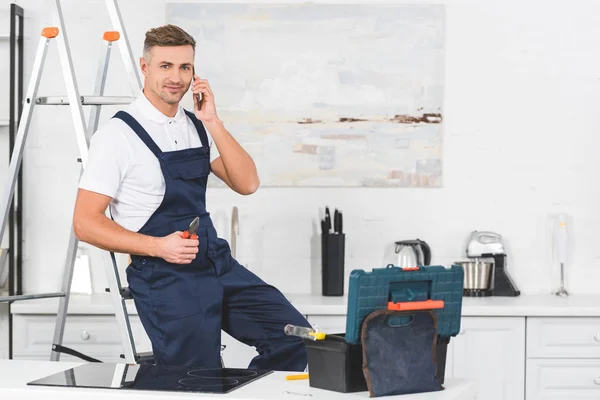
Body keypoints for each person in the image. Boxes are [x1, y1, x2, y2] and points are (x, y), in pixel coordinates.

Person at [73, 24, 311, 371]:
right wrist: (158, 247)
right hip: (165, 277)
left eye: (185, 67)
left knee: (295, 337)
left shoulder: (196, 126)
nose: (177, 77)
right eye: (165, 66)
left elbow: (247, 183)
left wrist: (212, 121)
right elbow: (85, 223)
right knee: (197, 378)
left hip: (216, 263)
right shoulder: (117, 136)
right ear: (145, 67)